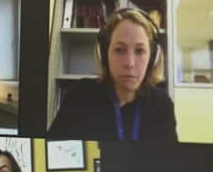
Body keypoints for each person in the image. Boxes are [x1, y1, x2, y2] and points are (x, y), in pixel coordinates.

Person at [48, 7, 178, 142]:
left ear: (152, 57)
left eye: (139, 51)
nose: (130, 63)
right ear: (105, 54)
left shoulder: (162, 105)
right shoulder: (80, 95)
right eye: (119, 50)